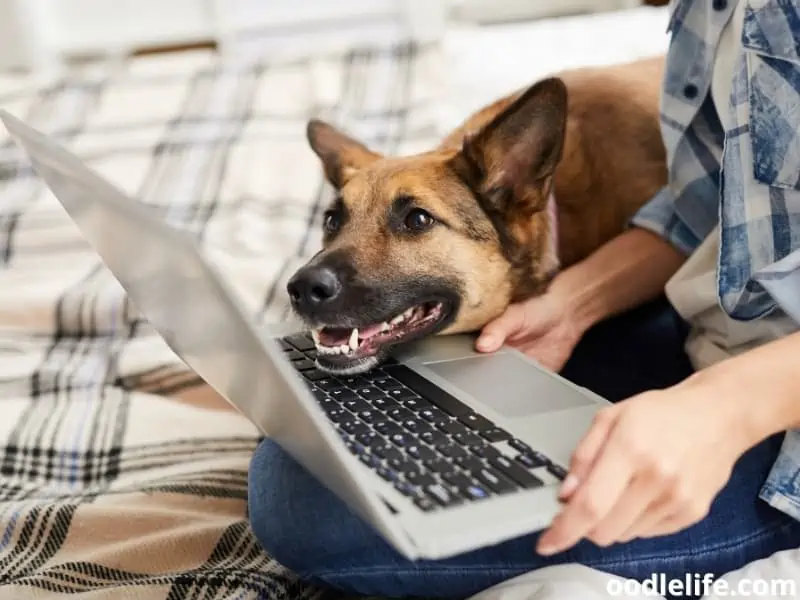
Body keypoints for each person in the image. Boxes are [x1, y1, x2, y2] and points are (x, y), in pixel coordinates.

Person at [248, 1, 800, 597]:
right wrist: (572, 306)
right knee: (322, 438)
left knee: (309, 509)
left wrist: (726, 410)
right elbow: (708, 205)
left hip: (780, 435)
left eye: (413, 223)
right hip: (717, 327)